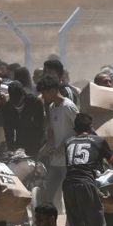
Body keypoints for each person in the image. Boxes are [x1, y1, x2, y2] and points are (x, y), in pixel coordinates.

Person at [38, 75, 79, 209]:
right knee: (48, 193)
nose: (43, 96)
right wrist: (44, 150)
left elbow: (80, 129)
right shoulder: (52, 107)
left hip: (69, 160)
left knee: (70, 194)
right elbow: (52, 133)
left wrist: (63, 146)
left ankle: (72, 221)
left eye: (44, 93)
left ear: (52, 90)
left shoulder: (68, 106)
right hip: (55, 160)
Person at [3, 81, 44, 158]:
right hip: (19, 142)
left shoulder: (35, 103)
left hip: (35, 141)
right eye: (14, 101)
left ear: (23, 95)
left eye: (18, 100)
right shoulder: (7, 107)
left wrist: (37, 148)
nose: (17, 104)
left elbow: (40, 127)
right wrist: (10, 148)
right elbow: (8, 130)